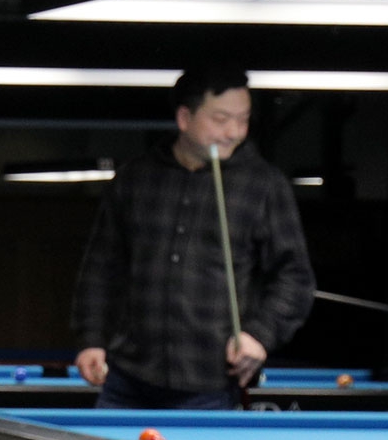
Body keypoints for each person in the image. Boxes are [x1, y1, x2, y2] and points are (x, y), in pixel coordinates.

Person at [71, 67, 315, 409]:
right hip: (127, 379)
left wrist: (259, 335)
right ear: (185, 118)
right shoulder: (135, 178)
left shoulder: (263, 185)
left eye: (243, 120)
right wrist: (90, 338)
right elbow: (101, 267)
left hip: (212, 384)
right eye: (221, 119)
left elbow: (295, 277)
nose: (234, 132)